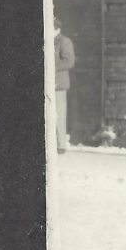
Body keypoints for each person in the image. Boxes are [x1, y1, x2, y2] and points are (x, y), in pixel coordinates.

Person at [54, 17, 75, 154]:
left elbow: (69, 62)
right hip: (49, 83)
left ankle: (61, 145)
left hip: (59, 84)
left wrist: (50, 66)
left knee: (59, 115)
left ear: (57, 29)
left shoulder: (64, 41)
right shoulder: (46, 41)